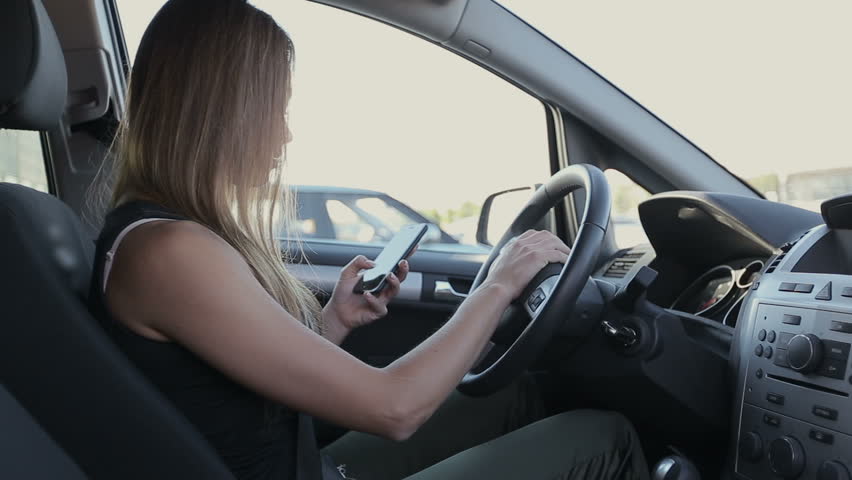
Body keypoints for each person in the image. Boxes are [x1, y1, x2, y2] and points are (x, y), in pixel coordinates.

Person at [88, 0, 650, 478]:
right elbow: (395, 408)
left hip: (307, 462)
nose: (284, 134)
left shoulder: (169, 238)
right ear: (220, 113)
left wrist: (333, 321)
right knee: (606, 436)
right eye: (274, 110)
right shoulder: (169, 251)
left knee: (515, 394)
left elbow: (230, 391)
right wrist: (499, 285)